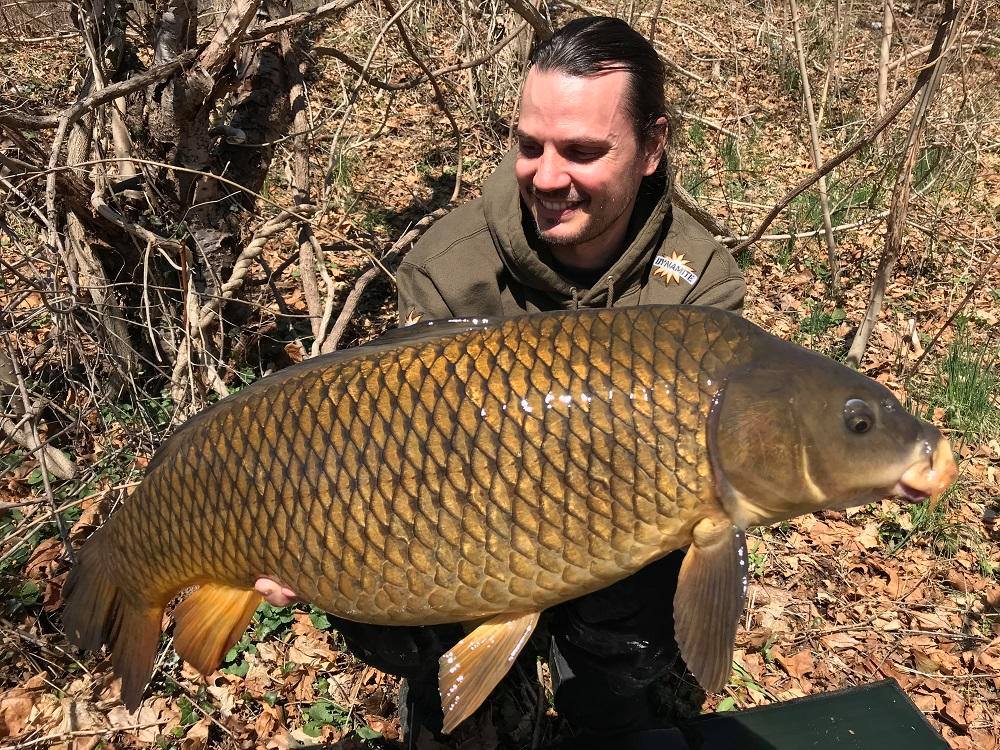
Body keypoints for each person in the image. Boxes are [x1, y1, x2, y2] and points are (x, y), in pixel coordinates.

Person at [255, 15, 745, 743]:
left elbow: (733, 467)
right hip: (460, 529)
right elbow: (382, 444)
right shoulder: (449, 266)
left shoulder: (699, 279)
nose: (547, 177)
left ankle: (609, 697)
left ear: (653, 146)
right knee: (431, 663)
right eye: (529, 146)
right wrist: (300, 536)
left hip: (626, 547)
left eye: (581, 151)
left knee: (628, 689)